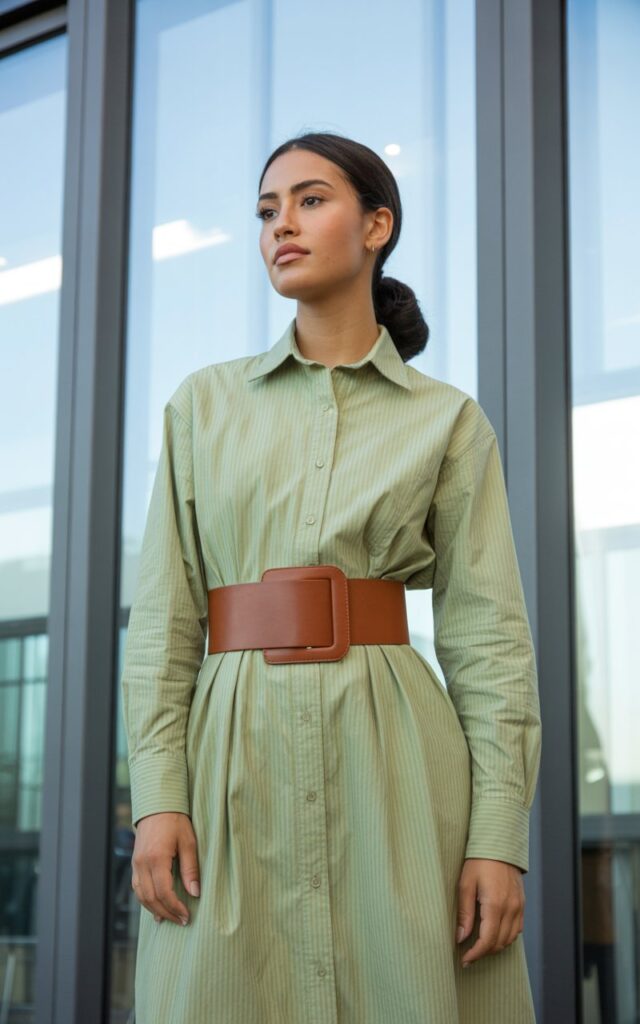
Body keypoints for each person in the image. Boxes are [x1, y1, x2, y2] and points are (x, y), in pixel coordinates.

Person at [121, 130, 542, 1024]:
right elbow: (162, 620)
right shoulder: (202, 405)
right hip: (230, 760)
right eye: (268, 210)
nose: (282, 224)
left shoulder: (448, 422)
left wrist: (498, 839)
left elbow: (489, 639)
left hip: (396, 764)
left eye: (311, 201)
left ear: (377, 224)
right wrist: (158, 798)